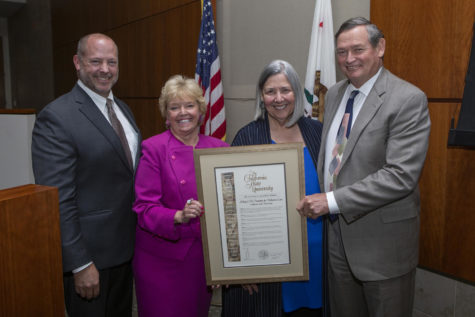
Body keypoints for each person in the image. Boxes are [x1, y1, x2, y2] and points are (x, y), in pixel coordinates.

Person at [297, 17, 431, 317]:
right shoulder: (333, 95)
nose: (349, 59)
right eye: (342, 52)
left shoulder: (407, 99)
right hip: (337, 244)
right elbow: (336, 161)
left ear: (380, 47)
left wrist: (330, 201)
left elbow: (400, 176)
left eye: (357, 49)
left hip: (383, 249)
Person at [32, 33, 141, 316]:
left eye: (111, 62)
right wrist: (79, 263)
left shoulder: (123, 110)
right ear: (77, 63)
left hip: (125, 253)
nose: (105, 69)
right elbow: (58, 199)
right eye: (95, 61)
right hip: (90, 262)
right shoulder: (56, 117)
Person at [222, 60, 328, 317]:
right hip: (265, 260)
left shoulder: (318, 133)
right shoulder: (247, 138)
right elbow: (229, 206)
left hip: (319, 257)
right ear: (261, 96)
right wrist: (240, 267)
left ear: (296, 92)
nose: (278, 98)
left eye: (286, 90)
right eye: (270, 91)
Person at [132, 75, 228, 317]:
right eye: (174, 107)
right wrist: (178, 215)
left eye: (189, 105)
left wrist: (220, 263)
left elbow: (227, 211)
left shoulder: (220, 150)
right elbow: (144, 208)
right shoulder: (153, 149)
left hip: (201, 261)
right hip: (162, 260)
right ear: (166, 115)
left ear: (200, 110)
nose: (182, 112)